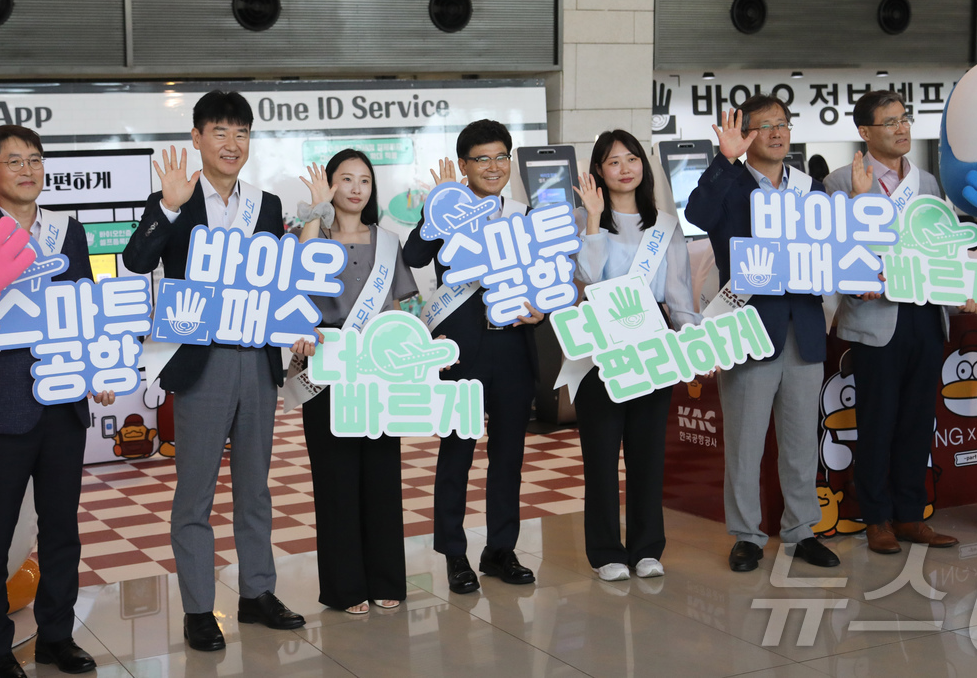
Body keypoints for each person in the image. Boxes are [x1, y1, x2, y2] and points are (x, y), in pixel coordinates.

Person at [121, 91, 304, 653]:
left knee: (255, 489)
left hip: (256, 360)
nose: (232, 143)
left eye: (241, 133)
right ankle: (200, 608)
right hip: (199, 362)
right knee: (194, 494)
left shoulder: (266, 205)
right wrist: (169, 210)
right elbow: (135, 261)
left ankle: (257, 594)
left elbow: (277, 282)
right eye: (219, 132)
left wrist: (295, 321)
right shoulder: (173, 196)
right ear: (197, 139)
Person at [0, 125, 109, 678]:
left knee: (62, 529)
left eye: (35, 159)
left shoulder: (68, 231)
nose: (28, 169)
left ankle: (55, 638)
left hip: (64, 402)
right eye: (13, 161)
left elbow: (85, 304)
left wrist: (96, 366)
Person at [684, 96, 839, 573]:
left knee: (799, 441)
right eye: (766, 126)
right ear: (747, 135)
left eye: (783, 125)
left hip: (805, 329)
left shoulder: (812, 189)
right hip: (749, 328)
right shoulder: (730, 185)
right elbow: (697, 213)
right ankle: (747, 535)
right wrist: (724, 159)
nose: (777, 133)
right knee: (746, 442)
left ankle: (800, 530)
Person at [403, 119, 542, 594]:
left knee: (509, 456)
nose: (494, 166)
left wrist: (540, 311)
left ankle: (500, 549)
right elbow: (414, 256)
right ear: (464, 166)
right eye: (482, 158)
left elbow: (546, 279)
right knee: (456, 453)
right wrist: (434, 210)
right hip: (461, 350)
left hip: (513, 349)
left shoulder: (525, 214)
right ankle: (454, 554)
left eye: (502, 157)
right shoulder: (447, 212)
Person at [825, 91, 959, 554]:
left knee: (918, 421)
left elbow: (942, 242)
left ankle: (911, 515)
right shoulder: (840, 181)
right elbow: (834, 249)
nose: (902, 129)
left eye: (905, 119)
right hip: (875, 317)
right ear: (865, 132)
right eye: (890, 122)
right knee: (877, 422)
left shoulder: (926, 182)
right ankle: (876, 518)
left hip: (925, 310)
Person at [290, 149, 419, 614]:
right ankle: (345, 588)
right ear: (331, 186)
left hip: (379, 373)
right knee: (335, 480)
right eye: (346, 179)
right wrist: (314, 211)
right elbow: (298, 280)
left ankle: (386, 578)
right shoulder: (312, 236)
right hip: (326, 372)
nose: (357, 187)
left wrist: (421, 343)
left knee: (382, 477)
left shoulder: (387, 242)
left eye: (364, 179)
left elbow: (406, 304)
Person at [572, 130, 699, 582]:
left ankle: (647, 547)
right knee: (602, 457)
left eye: (632, 158)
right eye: (613, 162)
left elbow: (680, 294)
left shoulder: (665, 224)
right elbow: (585, 279)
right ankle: (606, 551)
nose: (625, 168)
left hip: (654, 348)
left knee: (648, 455)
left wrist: (697, 341)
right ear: (598, 172)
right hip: (601, 353)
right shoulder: (585, 221)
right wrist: (592, 220)